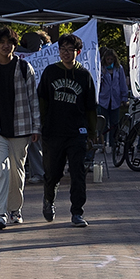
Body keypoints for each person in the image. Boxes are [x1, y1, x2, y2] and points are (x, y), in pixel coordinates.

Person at [0, 26, 40, 230]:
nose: (6, 46)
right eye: (2, 42)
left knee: (17, 172)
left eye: (10, 42)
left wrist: (36, 127)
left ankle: (15, 210)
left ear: (15, 45)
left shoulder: (24, 68)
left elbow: (33, 99)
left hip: (21, 128)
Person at [38, 31, 99, 227]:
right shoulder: (50, 72)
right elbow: (42, 101)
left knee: (77, 173)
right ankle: (49, 200)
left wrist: (92, 133)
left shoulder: (84, 75)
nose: (65, 53)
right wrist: (41, 126)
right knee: (53, 173)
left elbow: (91, 107)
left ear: (78, 52)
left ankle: (77, 212)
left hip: (76, 132)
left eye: (70, 49)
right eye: (62, 49)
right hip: (53, 132)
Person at [97, 44, 128, 152]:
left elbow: (122, 83)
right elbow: (98, 84)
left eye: (111, 59)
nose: (109, 61)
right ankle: (103, 144)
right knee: (103, 123)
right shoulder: (101, 68)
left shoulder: (118, 69)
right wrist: (102, 74)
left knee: (115, 123)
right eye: (107, 59)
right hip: (104, 99)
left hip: (115, 99)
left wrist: (124, 97)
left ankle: (114, 145)